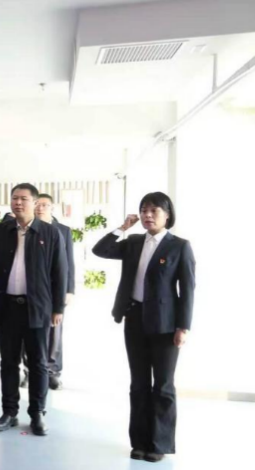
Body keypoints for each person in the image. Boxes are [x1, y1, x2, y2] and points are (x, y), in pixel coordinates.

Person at [92, 192, 194, 463]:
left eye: (154, 211)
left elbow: (188, 290)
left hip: (165, 326)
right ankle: (139, 442)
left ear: (167, 215)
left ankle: (159, 443)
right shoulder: (134, 242)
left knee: (163, 386)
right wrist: (123, 227)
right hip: (134, 319)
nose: (148, 215)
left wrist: (183, 327)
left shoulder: (179, 246)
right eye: (144, 210)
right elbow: (100, 250)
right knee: (138, 384)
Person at [0, 184, 67, 436]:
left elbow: (60, 271)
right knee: (8, 361)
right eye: (14, 198)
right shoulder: (1, 230)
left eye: (23, 199)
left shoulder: (50, 232)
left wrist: (58, 308)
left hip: (37, 307)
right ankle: (9, 412)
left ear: (35, 203)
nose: (18, 203)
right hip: (7, 307)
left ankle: (37, 413)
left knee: (38, 363)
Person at [32, 194, 75, 390]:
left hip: (56, 287)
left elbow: (69, 262)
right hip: (33, 288)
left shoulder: (63, 230)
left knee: (54, 330)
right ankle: (30, 369)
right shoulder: (27, 228)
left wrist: (69, 289)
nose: (40, 208)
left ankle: (52, 370)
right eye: (37, 205)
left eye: (45, 205)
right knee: (30, 329)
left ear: (52, 208)